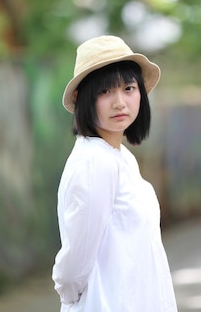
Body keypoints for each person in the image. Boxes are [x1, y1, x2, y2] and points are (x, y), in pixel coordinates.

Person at [52, 35, 177, 312]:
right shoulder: (96, 162)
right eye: (105, 91)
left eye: (129, 88)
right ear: (81, 98)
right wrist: (71, 296)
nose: (120, 102)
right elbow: (75, 261)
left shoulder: (121, 158)